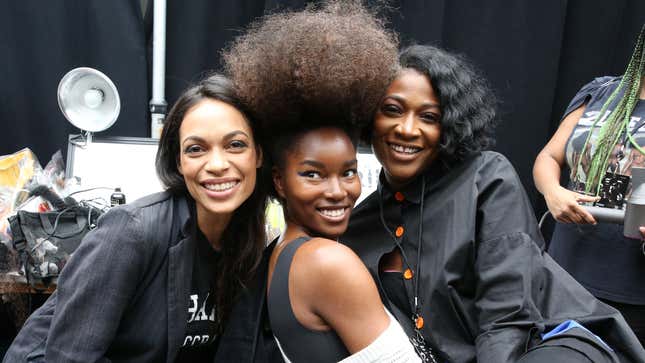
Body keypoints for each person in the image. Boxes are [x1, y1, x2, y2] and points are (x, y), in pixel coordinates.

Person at [342, 44, 645, 362]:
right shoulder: (357, 227)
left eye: (429, 117)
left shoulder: (484, 178)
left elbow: (506, 315)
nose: (406, 129)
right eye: (392, 110)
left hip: (547, 340)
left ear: (449, 125)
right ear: (367, 116)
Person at [3, 75, 280, 362]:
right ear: (178, 162)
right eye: (196, 149)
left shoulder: (249, 240)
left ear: (258, 154)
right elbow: (68, 357)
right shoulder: (131, 231)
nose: (218, 164)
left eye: (235, 145)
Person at [223, 2, 421, 362]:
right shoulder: (326, 260)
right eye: (313, 174)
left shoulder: (281, 253)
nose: (337, 191)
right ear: (279, 182)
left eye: (348, 172)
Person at [534, 25, 645, 346]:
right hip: (563, 276)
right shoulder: (599, 92)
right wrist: (553, 192)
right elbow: (548, 158)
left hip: (633, 294)